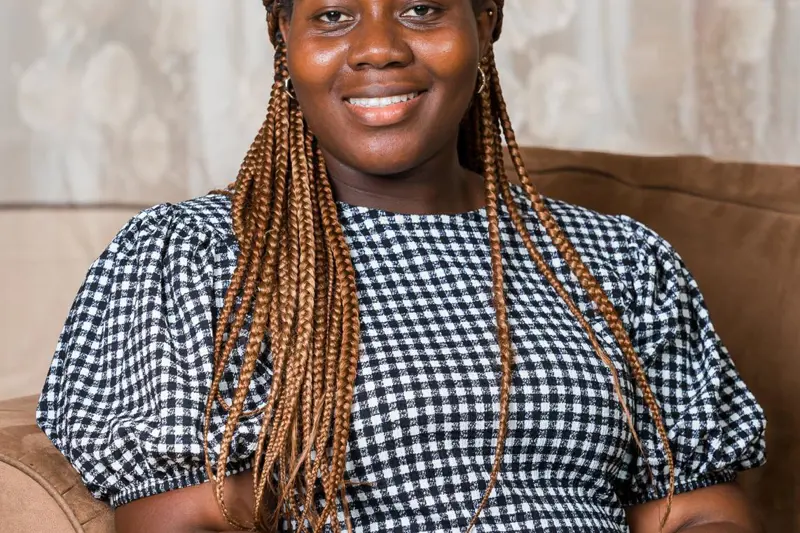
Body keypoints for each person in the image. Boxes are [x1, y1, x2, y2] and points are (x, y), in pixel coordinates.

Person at [36, 1, 766, 532]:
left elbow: (697, 509)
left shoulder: (620, 260)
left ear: (485, 21)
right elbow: (181, 521)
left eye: (421, 9)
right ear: (283, 35)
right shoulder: (197, 256)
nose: (378, 48)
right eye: (332, 16)